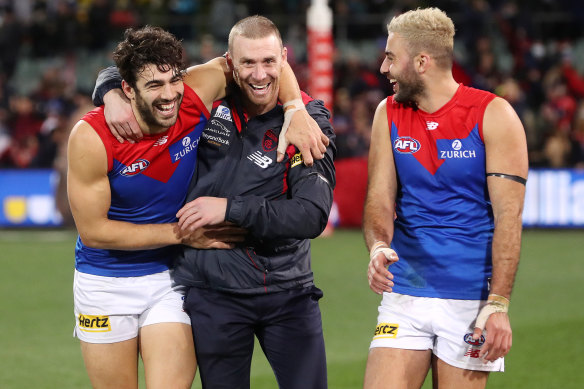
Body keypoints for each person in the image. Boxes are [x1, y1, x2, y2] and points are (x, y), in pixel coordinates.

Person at [70, 26, 325, 389]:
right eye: (154, 86)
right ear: (127, 89)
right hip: (105, 281)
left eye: (174, 80)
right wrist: (184, 235)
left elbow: (265, 63)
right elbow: (94, 233)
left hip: (168, 278)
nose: (170, 94)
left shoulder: (192, 95)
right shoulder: (91, 137)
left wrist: (295, 108)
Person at [363, 8, 528, 389]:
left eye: (391, 57)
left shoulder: (493, 115)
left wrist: (499, 304)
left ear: (422, 62)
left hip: (469, 300)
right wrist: (377, 246)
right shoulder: (387, 112)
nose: (383, 67)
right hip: (404, 290)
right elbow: (379, 199)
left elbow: (509, 217)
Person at [173, 15, 335, 388]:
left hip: (288, 293)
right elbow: (145, 83)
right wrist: (110, 93)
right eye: (248, 63)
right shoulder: (205, 102)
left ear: (284, 58)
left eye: (268, 62)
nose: (259, 75)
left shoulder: (307, 121)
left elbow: (310, 215)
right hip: (214, 292)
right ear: (230, 63)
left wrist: (230, 208)